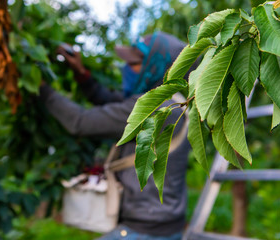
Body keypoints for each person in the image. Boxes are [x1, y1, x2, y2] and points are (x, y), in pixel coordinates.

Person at [39, 32, 195, 240]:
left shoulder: (154, 109)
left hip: (146, 230)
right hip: (162, 225)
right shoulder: (172, 102)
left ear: (157, 67)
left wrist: (40, 87)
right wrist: (82, 75)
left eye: (134, 63)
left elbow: (80, 122)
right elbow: (112, 104)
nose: (127, 68)